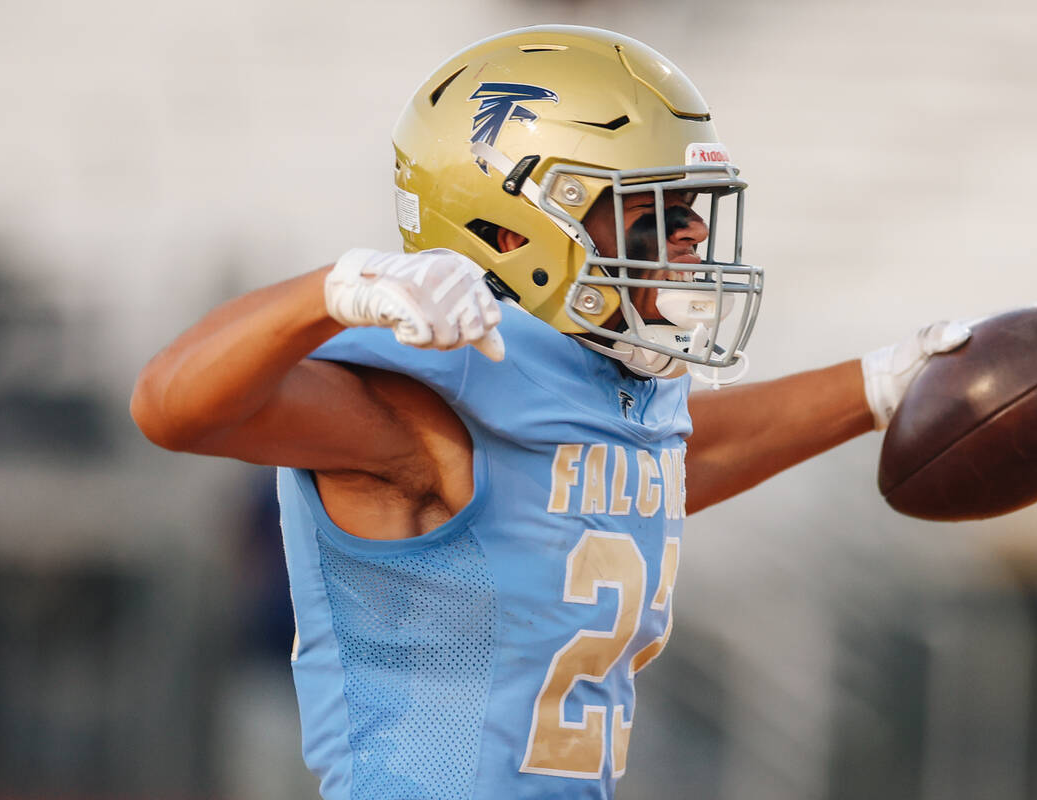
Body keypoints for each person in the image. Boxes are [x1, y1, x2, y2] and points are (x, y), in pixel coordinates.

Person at [131, 25, 968, 800]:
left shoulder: (596, 396)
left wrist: (877, 386)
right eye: (653, 216)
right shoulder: (426, 397)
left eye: (693, 213)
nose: (689, 243)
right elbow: (173, 410)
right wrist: (332, 291)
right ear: (511, 231)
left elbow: (663, 464)